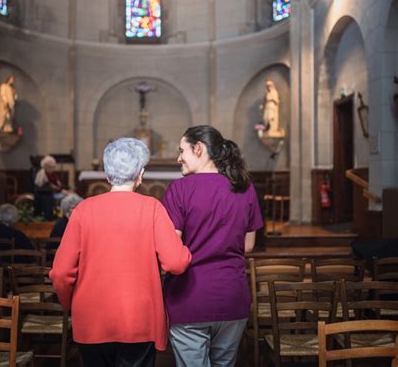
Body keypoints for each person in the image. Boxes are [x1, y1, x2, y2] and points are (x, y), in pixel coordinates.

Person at [50, 138, 192, 367]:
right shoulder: (152, 208)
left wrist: (72, 304)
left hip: (91, 317)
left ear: (107, 176)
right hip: (138, 319)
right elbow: (176, 263)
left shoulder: (83, 210)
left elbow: (60, 272)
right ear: (140, 174)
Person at [162, 125, 264, 367]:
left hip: (190, 298)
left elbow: (171, 248)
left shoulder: (180, 189)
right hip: (233, 296)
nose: (178, 158)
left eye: (181, 151)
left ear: (198, 149)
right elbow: (248, 245)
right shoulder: (245, 187)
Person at [34, 155, 66, 220]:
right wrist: (55, 188)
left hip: (53, 192)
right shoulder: (41, 174)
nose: (52, 168)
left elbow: (58, 184)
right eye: (50, 167)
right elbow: (41, 185)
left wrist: (60, 189)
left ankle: (62, 215)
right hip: (45, 193)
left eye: (53, 167)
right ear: (45, 166)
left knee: (68, 196)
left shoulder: (52, 173)